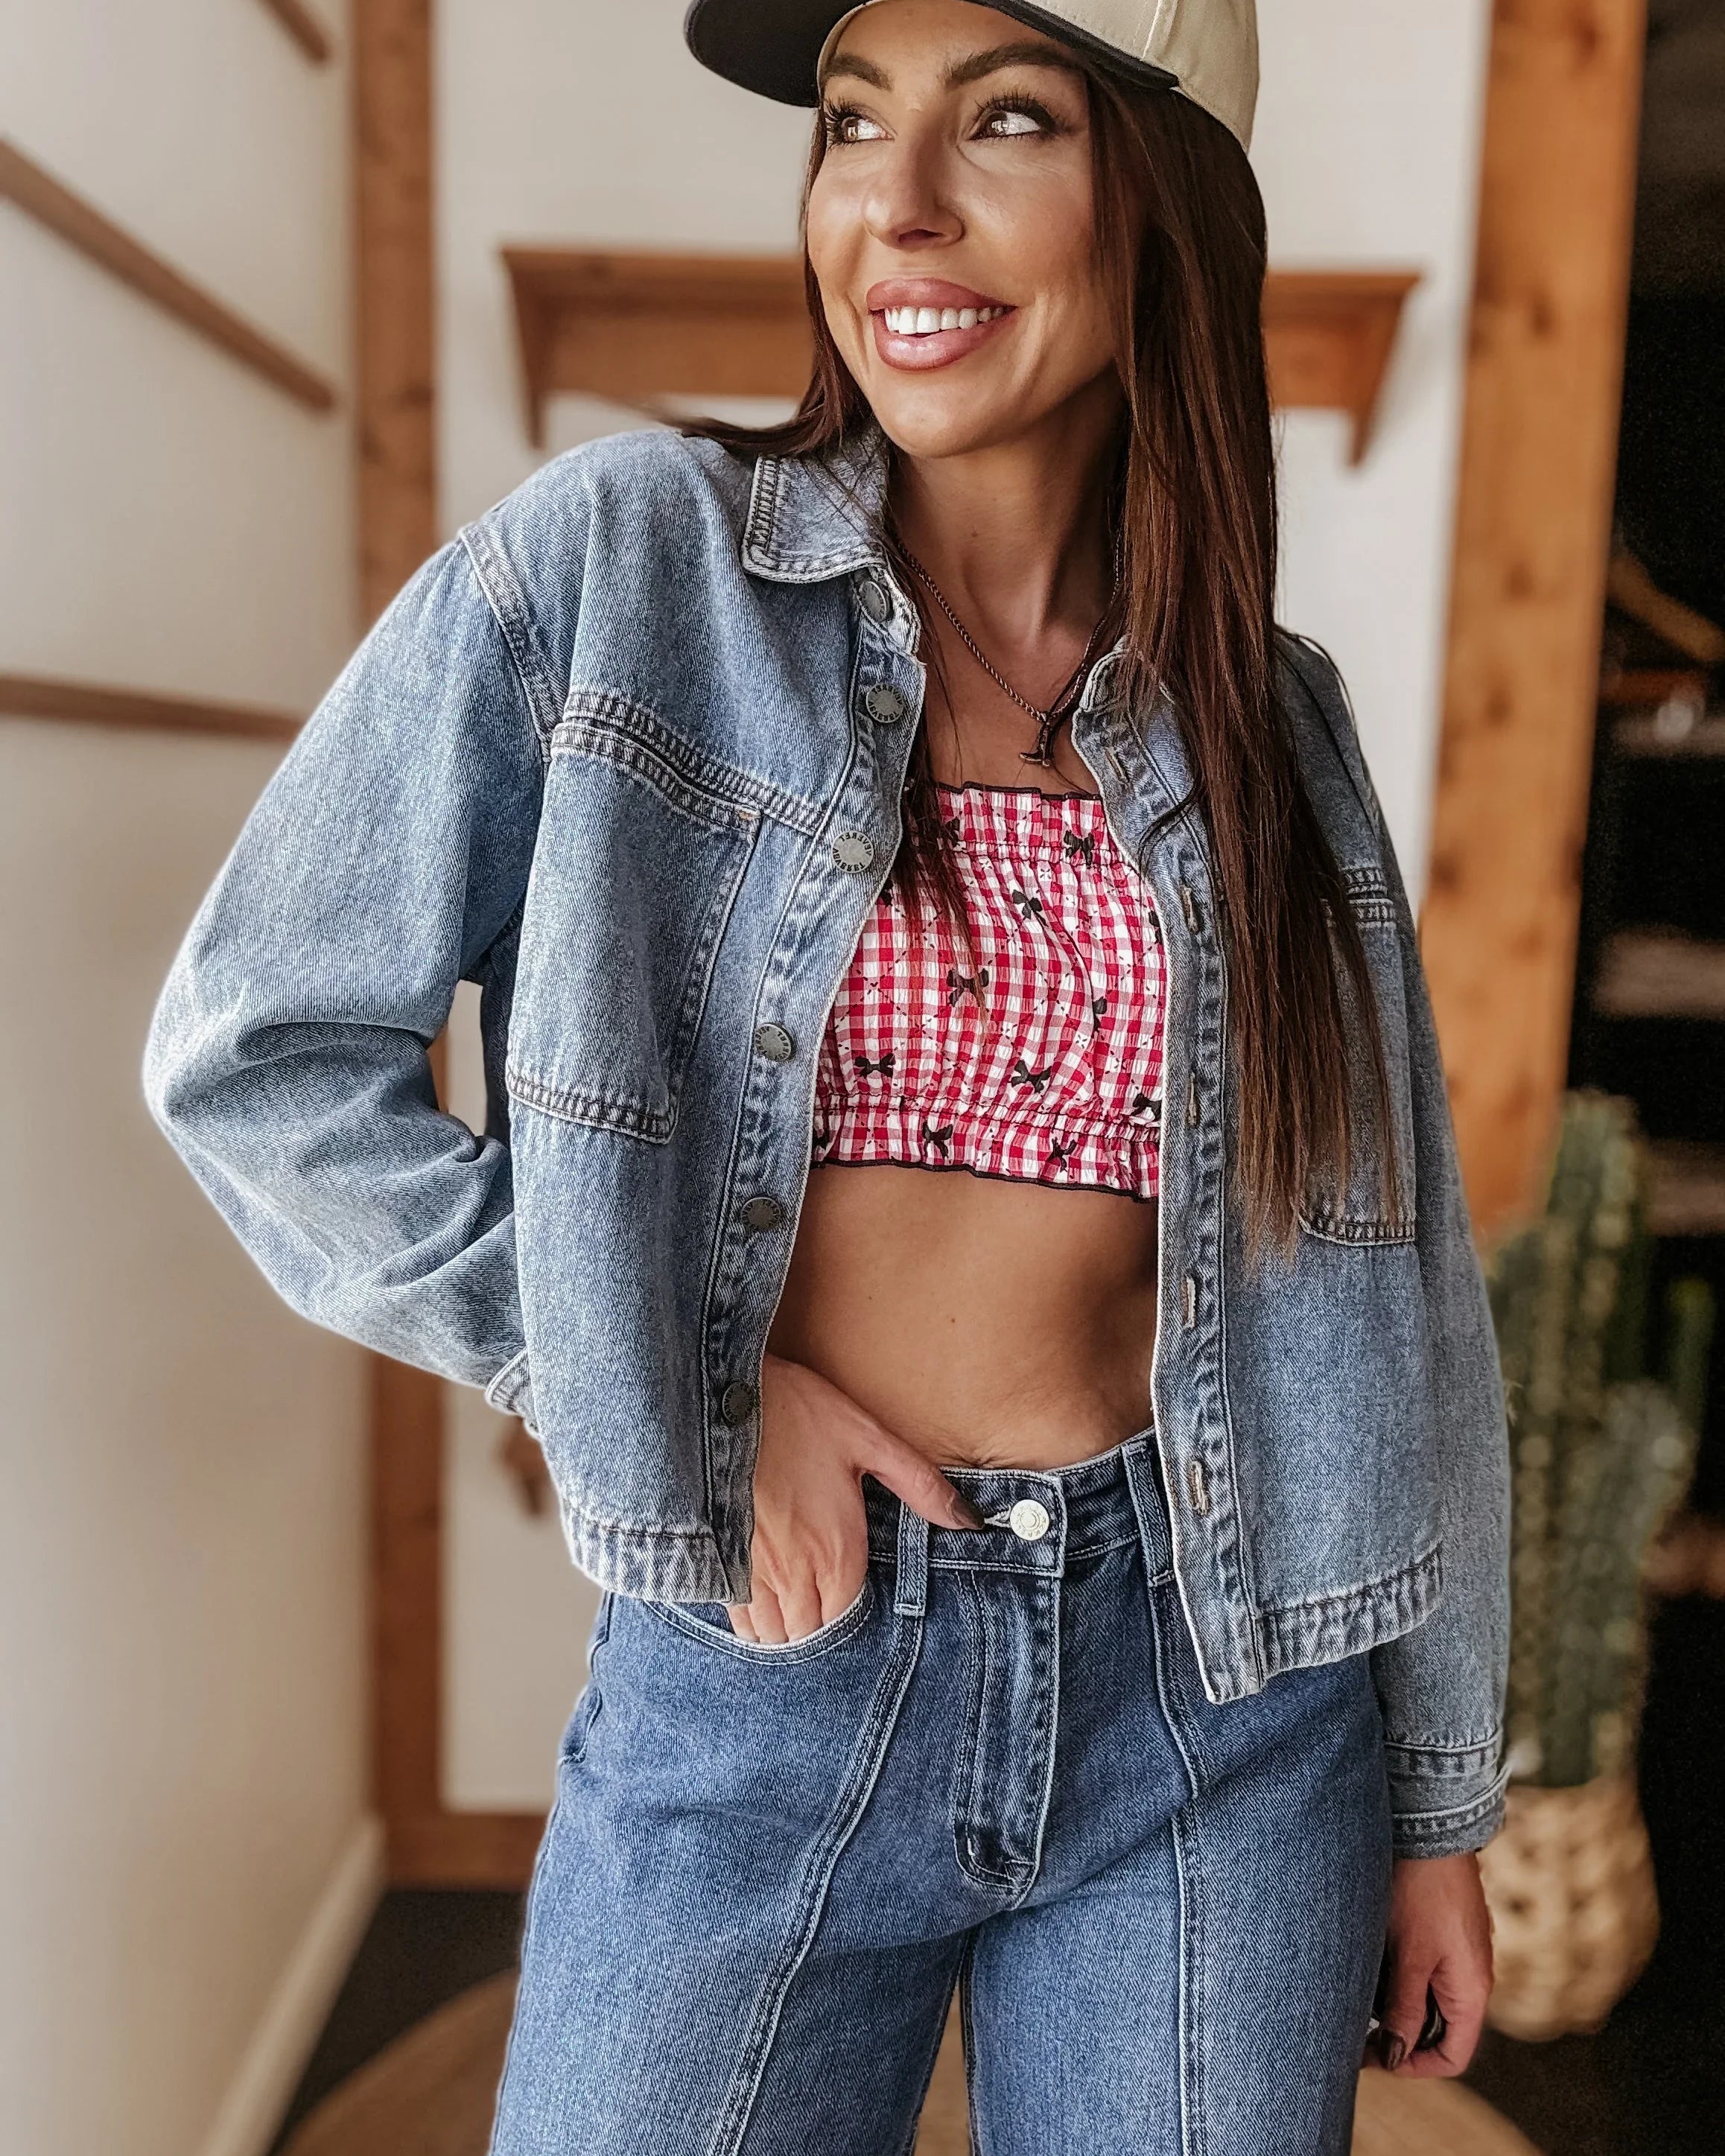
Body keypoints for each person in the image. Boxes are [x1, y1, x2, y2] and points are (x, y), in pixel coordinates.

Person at [143, 1, 1511, 2149]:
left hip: (1226, 1699)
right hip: (775, 1675)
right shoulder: (619, 570)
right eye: (852, 124)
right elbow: (258, 1055)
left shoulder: (1277, 722)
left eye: (1008, 120)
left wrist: (1431, 1796)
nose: (895, 204)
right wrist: (677, 1389)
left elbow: (1396, 1288)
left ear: (1164, 205)